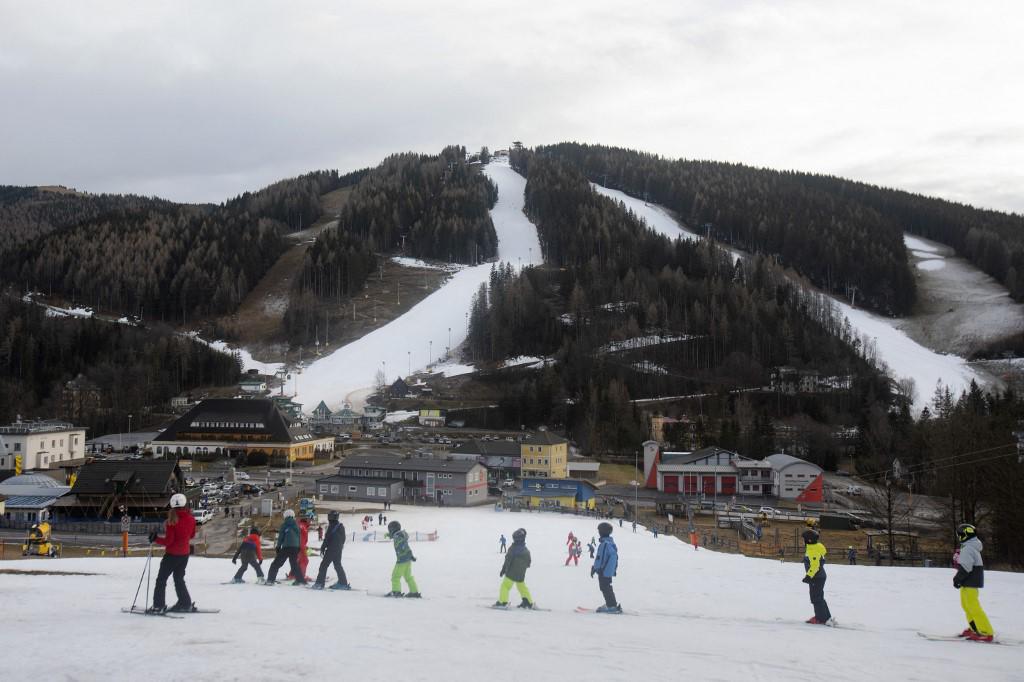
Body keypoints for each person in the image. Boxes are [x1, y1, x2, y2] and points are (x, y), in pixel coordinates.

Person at [147, 493, 197, 613]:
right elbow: (192, 535)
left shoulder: (172, 521)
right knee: (179, 579)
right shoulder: (191, 519)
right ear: (185, 504)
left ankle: (158, 606)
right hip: (185, 554)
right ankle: (185, 603)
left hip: (172, 555)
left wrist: (155, 538)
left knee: (161, 580)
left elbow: (169, 542)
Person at [953, 523, 994, 641]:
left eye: (961, 534)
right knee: (966, 606)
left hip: (970, 582)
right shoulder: (968, 547)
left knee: (973, 607)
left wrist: (957, 579)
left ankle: (986, 632)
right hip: (968, 582)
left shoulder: (968, 548)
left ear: (966, 535)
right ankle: (975, 628)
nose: (959, 537)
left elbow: (966, 567)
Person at [495, 528, 534, 608]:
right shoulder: (526, 550)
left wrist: (503, 570)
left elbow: (508, 560)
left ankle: (503, 602)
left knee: (505, 586)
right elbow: (528, 563)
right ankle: (528, 601)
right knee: (521, 586)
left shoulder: (513, 549)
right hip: (521, 573)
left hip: (511, 573)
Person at [802, 528, 833, 625]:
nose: (804, 541)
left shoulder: (813, 550)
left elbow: (815, 565)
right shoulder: (816, 547)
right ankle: (825, 617)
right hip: (820, 576)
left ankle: (820, 618)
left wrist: (809, 576)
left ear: (809, 540)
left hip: (816, 577)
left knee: (815, 597)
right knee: (819, 597)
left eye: (805, 539)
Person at [266, 510, 306, 586]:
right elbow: (299, 537)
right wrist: (299, 547)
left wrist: (278, 547)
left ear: (285, 516)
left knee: (275, 564)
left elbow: (281, 537)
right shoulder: (297, 525)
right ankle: (301, 580)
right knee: (294, 564)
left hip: (286, 547)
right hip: (295, 548)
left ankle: (270, 580)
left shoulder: (284, 525)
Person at [313, 511, 350, 590]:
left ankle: (319, 583)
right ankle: (343, 583)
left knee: (323, 565)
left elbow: (327, 538)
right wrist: (339, 546)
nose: (329, 518)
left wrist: (323, 547)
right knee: (337, 565)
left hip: (331, 549)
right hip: (338, 549)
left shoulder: (332, 526)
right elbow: (343, 539)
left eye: (330, 516)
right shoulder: (340, 526)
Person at [591, 522, 621, 613]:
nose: (599, 532)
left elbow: (600, 559)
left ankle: (611, 606)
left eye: (599, 531)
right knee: (606, 586)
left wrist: (595, 568)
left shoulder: (605, 544)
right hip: (608, 570)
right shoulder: (610, 542)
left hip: (604, 570)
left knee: (604, 587)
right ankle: (611, 604)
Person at [387, 520, 420, 597]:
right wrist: (410, 556)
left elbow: (405, 547)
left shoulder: (398, 537)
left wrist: (410, 554)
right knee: (408, 577)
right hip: (407, 561)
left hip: (402, 560)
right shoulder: (400, 535)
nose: (389, 531)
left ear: (393, 529)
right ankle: (414, 591)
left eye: (390, 530)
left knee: (395, 576)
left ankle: (396, 591)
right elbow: (396, 536)